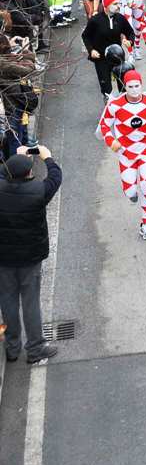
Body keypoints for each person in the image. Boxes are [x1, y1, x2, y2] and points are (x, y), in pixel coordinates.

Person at [0, 146, 62, 363]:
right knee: (30, 302)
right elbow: (55, 177)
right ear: (29, 173)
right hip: (30, 258)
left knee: (7, 301)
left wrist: (17, 158)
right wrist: (47, 157)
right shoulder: (38, 191)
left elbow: (3, 173)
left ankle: (12, 347)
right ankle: (35, 348)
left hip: (4, 258)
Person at [98, 70, 146, 240]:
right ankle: (132, 193)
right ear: (125, 87)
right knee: (131, 192)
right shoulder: (114, 105)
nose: (134, 90)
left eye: (137, 86)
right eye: (130, 87)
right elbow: (105, 126)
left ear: (142, 85)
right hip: (125, 153)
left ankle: (145, 224)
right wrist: (112, 141)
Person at [81, 0, 135, 99]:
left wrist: (130, 41)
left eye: (119, 3)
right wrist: (91, 50)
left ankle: (124, 106)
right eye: (115, 4)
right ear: (106, 6)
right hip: (101, 57)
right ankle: (108, 107)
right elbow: (85, 36)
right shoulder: (95, 20)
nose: (118, 6)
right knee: (106, 88)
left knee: (124, 84)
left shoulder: (120, 18)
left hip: (118, 57)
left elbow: (130, 32)